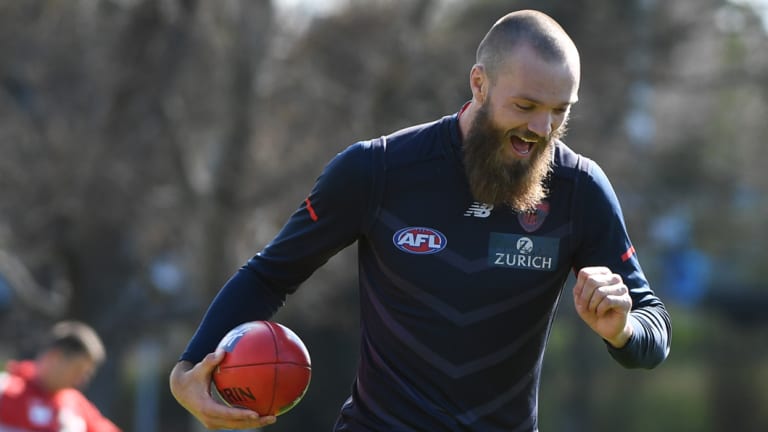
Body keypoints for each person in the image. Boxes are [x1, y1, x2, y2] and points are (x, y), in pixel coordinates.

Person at [170, 9, 671, 431]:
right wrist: (187, 371)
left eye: (560, 112)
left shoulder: (579, 190)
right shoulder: (378, 169)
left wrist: (623, 329)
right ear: (479, 83)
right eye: (525, 106)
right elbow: (270, 273)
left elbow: (654, 327)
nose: (541, 129)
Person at [0, 320, 122, 432]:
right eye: (77, 370)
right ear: (56, 357)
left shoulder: (76, 404)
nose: (81, 380)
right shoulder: (5, 390)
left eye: (85, 374)